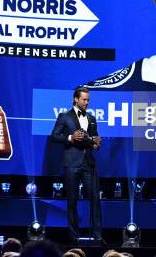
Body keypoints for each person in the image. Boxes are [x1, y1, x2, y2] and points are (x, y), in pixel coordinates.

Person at [50, 86, 103, 245]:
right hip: (72, 163)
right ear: (76, 99)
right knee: (72, 201)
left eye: (88, 100)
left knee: (95, 200)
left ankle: (97, 237)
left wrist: (96, 142)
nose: (87, 102)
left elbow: (94, 138)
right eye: (84, 99)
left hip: (88, 163)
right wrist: (71, 137)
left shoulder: (92, 118)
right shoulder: (64, 116)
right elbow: (54, 136)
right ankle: (74, 238)